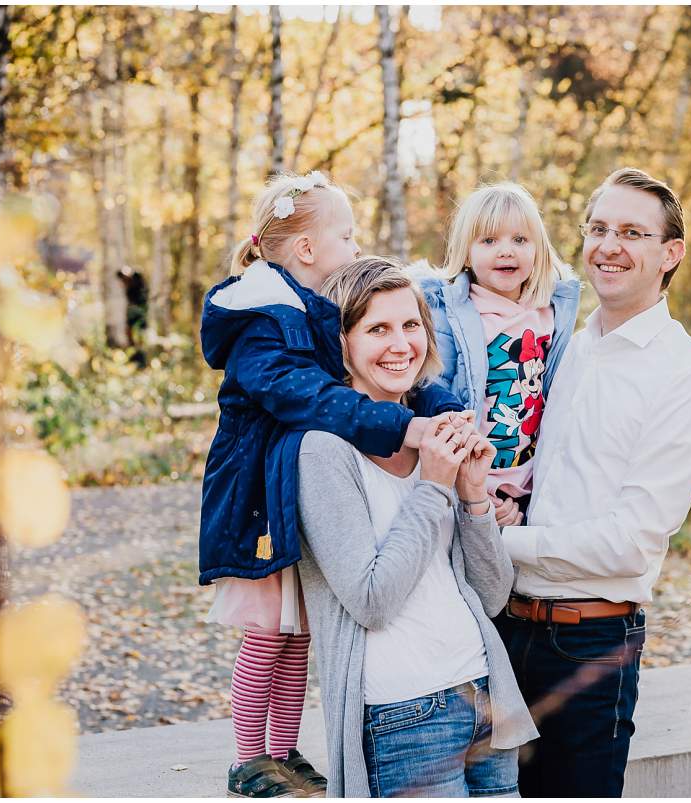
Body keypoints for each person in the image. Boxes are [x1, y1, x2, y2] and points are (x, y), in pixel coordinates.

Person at [198, 172, 472, 798]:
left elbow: (377, 374)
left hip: (296, 498)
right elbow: (315, 398)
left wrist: (443, 410)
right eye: (345, 236)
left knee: (300, 637)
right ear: (306, 251)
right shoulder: (261, 322)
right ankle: (249, 759)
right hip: (259, 503)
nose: (355, 247)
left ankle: (282, 749)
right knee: (268, 634)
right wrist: (401, 426)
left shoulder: (310, 313)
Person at [493, 168, 691, 796]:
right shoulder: (565, 348)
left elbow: (631, 540)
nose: (608, 246)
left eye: (631, 232)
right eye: (598, 229)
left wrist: (504, 544)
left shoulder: (686, 376)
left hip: (589, 647)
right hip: (503, 629)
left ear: (669, 254)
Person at [295, 257, 539, 798]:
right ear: (341, 344)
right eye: (377, 329)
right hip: (402, 714)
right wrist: (433, 486)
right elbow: (371, 599)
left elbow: (493, 595)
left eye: (410, 325)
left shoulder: (437, 434)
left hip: (483, 695)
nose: (400, 344)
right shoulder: (322, 451)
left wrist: (473, 494)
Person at [419, 182, 581, 526]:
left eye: (520, 240)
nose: (506, 251)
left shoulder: (551, 313)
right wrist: (475, 489)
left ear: (538, 249)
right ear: (466, 252)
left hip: (532, 483)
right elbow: (436, 397)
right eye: (489, 241)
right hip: (470, 479)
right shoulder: (453, 315)